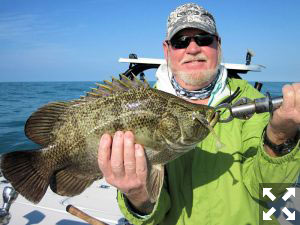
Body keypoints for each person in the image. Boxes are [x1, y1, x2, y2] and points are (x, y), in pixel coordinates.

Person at [98, 3, 300, 225]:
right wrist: (137, 195)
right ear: (167, 50)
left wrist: (280, 135)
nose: (192, 48)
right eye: (180, 41)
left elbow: (268, 191)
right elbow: (152, 217)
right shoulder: (143, 104)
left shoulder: (255, 104)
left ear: (218, 45)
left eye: (203, 38)